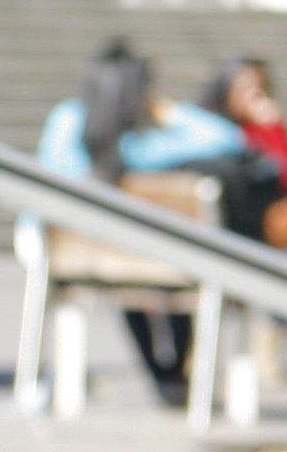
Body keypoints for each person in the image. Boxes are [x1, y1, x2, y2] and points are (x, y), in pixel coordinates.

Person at [37, 40, 253, 397]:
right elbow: (229, 138)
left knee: (134, 282)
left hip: (78, 257)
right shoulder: (142, 141)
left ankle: (163, 376)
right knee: (169, 272)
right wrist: (166, 110)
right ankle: (174, 377)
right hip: (157, 263)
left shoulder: (67, 122)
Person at [211, 56, 287, 255]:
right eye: (246, 88)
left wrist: (274, 129)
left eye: (260, 88)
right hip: (258, 220)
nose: (255, 95)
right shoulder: (222, 134)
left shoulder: (265, 127)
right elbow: (286, 175)